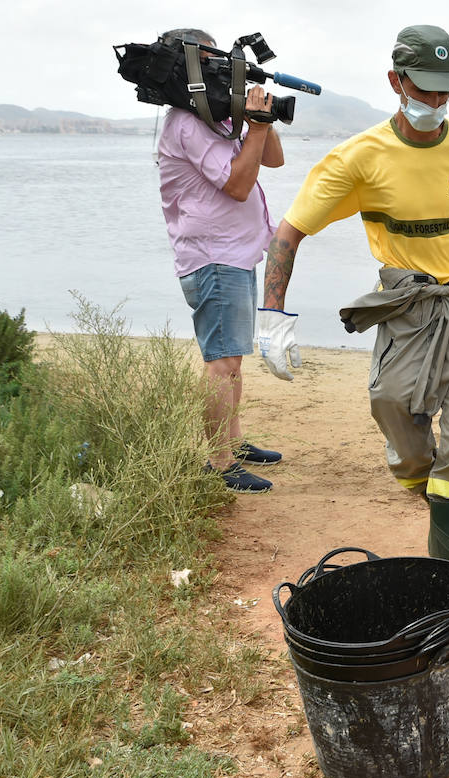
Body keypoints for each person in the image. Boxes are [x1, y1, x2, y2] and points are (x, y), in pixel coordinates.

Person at [260, 24, 449, 564]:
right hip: (407, 307)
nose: (435, 100)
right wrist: (272, 314)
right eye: (424, 87)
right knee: (391, 408)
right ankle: (421, 477)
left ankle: (445, 577)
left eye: (444, 90)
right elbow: (288, 233)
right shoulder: (358, 158)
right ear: (395, 81)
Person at [156, 27, 284, 493]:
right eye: (211, 61)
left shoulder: (213, 117)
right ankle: (219, 462)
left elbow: (273, 161)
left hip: (234, 252)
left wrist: (257, 120)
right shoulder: (187, 123)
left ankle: (233, 441)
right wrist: (258, 128)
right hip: (212, 256)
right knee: (221, 362)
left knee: (234, 360)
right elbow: (237, 184)